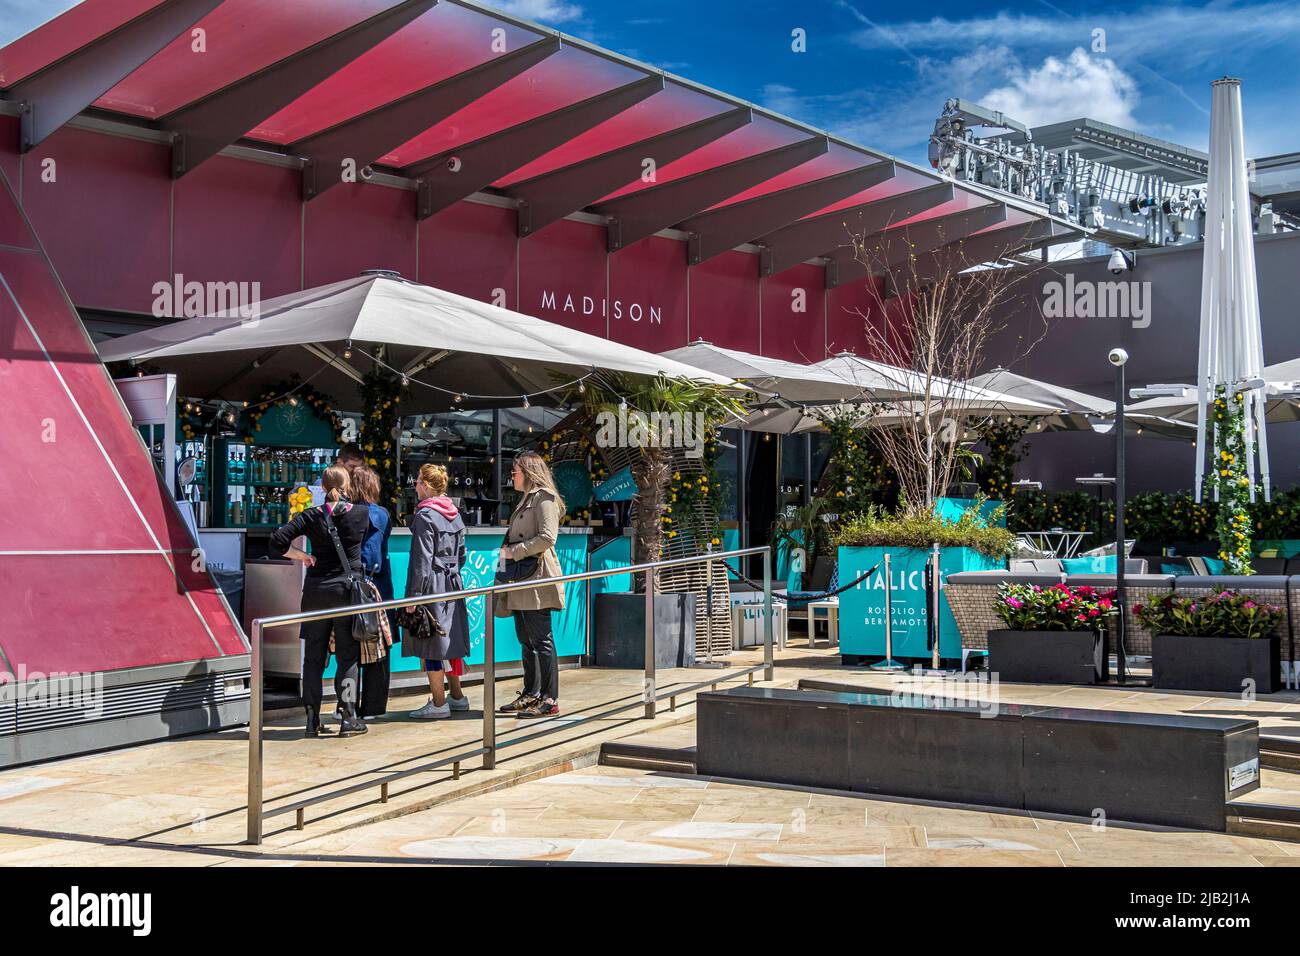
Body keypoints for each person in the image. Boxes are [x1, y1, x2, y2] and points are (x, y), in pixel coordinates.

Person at [269, 464, 371, 738]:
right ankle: (348, 717)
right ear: (347, 486)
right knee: (348, 657)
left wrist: (302, 557)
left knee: (314, 658)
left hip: (315, 593)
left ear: (322, 488)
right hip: (347, 593)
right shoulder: (361, 514)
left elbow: (276, 541)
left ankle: (312, 719)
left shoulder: (310, 516)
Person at [496, 452, 565, 719]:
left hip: (536, 577)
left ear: (528, 471)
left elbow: (548, 537)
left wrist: (516, 552)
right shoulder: (527, 498)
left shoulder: (544, 498)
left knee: (541, 639)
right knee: (526, 639)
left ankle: (549, 698)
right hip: (521, 578)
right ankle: (530, 692)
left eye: (515, 471)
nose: (512, 476)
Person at [403, 463, 471, 719]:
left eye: (418, 481)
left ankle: (439, 703)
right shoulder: (455, 513)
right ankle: (457, 697)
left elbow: (421, 560)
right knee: (450, 640)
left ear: (427, 486)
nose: (415, 485)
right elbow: (461, 555)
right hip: (453, 583)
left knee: (430, 641)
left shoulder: (425, 516)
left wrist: (413, 597)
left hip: (432, 583)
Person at [350, 465, 394, 720]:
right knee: (381, 645)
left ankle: (349, 704)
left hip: (362, 586)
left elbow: (363, 553)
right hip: (383, 585)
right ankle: (375, 706)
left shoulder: (352, 513)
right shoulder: (384, 514)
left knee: (353, 644)